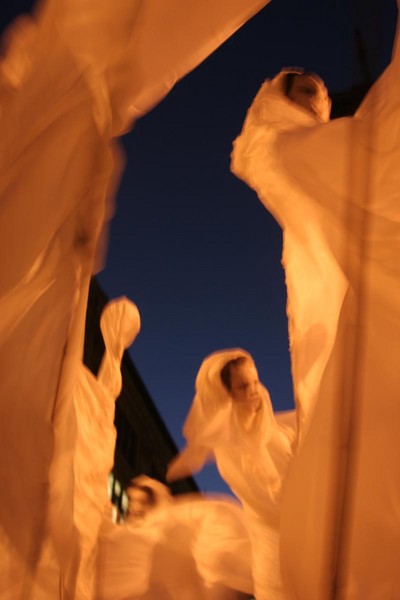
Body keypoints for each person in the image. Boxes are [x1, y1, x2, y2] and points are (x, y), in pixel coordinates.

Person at [230, 17, 400, 595]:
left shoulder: (338, 153)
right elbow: (269, 154)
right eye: (304, 91)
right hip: (329, 317)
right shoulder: (296, 156)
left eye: (320, 94)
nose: (318, 98)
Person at [167, 348, 296, 599]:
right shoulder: (231, 452)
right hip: (272, 551)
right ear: (227, 396)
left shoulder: (283, 433)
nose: (254, 392)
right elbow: (270, 500)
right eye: (243, 386)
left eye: (256, 382)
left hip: (303, 538)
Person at [97, 475, 254, 600]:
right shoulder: (135, 532)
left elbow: (214, 517)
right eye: (133, 501)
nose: (135, 507)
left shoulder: (173, 518)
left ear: (152, 502)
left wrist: (210, 554)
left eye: (141, 501)